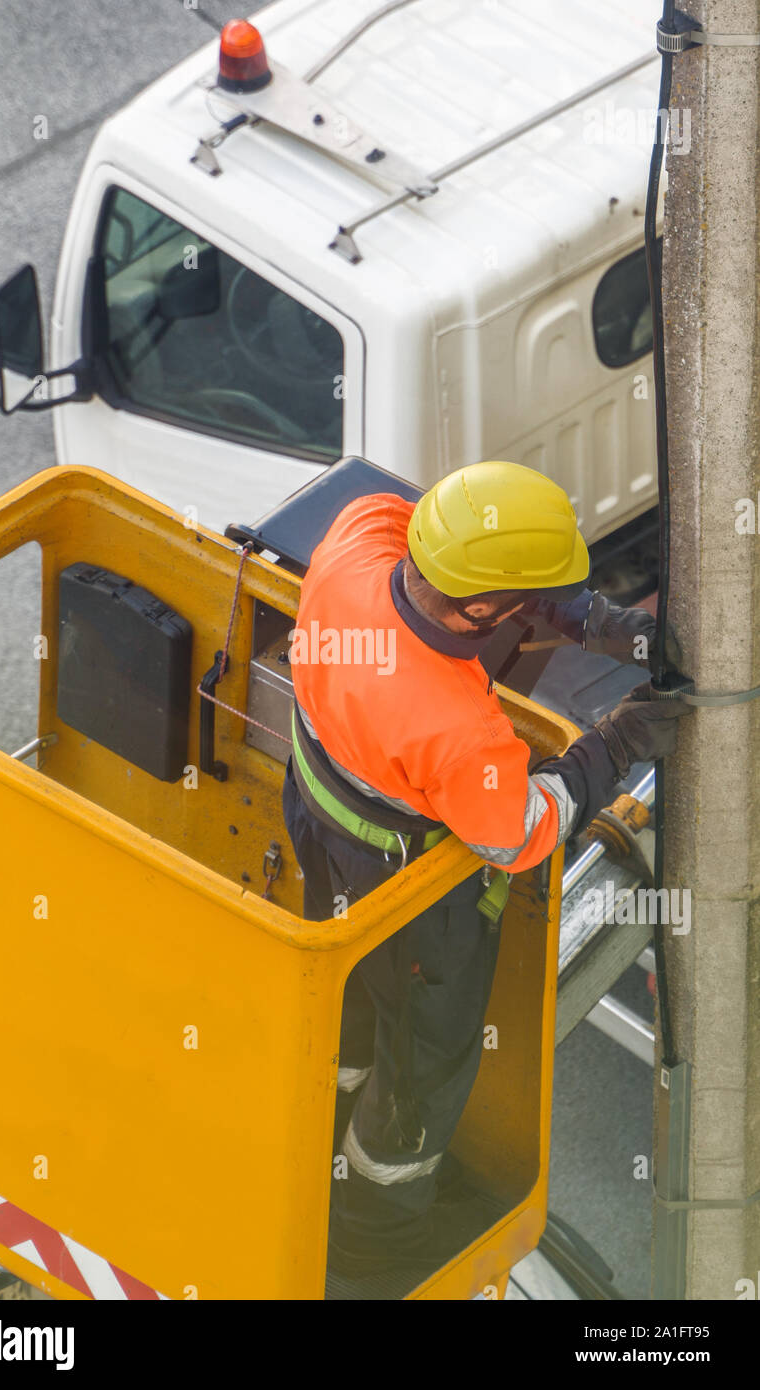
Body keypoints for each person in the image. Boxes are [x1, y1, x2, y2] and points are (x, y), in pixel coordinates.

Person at [281, 460, 689, 1277]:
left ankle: (311, 1139)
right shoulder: (460, 733)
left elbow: (423, 530)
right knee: (421, 1061)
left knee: (348, 999)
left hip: (319, 819)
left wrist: (582, 615)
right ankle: (375, 1230)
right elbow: (521, 834)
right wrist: (614, 742)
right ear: (483, 609)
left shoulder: (357, 540)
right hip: (401, 891)